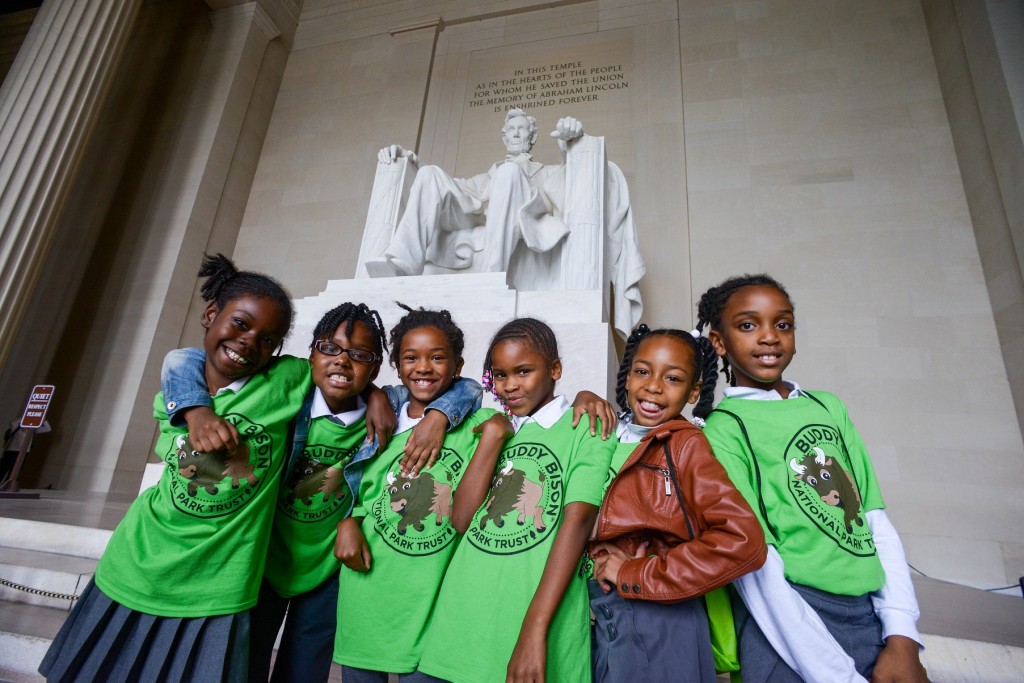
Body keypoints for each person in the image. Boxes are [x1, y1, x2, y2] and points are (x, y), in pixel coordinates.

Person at [156, 302, 483, 683]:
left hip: (328, 564)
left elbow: (467, 387)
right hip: (262, 554)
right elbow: (185, 358)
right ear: (309, 354)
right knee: (243, 663)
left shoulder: (387, 411)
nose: (342, 362)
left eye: (359, 356)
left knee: (304, 668)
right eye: (329, 349)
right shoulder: (284, 393)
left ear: (376, 368)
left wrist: (437, 415)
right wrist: (196, 411)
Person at [38, 254, 306, 682]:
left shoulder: (284, 382)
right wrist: (197, 413)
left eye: (268, 339)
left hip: (219, 581)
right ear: (210, 313)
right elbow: (179, 358)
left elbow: (341, 376)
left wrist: (388, 401)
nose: (250, 342)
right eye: (240, 323)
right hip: (139, 560)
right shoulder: (172, 397)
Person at [696, 274, 928, 683]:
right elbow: (754, 564)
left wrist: (902, 637)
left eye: (782, 324)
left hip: (866, 615)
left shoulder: (829, 407)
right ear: (719, 342)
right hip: (788, 627)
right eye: (748, 325)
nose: (769, 337)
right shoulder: (724, 428)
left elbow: (875, 522)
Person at [416, 318, 615, 683]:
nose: (510, 386)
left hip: (536, 617)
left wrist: (533, 630)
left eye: (523, 372)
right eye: (501, 375)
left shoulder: (586, 427)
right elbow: (460, 519)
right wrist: (492, 437)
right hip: (461, 614)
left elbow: (578, 523)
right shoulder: (492, 423)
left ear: (555, 369)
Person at [333, 305, 509, 681]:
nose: (424, 367)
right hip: (368, 588)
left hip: (436, 596)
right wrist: (348, 522)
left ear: (458, 365)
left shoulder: (479, 425)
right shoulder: (380, 420)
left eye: (438, 357)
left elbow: (523, 421)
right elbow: (364, 489)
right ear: (396, 365)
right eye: (411, 358)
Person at [587, 324, 767, 683]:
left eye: (672, 378)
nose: (653, 386)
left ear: (693, 391)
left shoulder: (687, 445)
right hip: (594, 612)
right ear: (626, 377)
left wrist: (636, 573)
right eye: (642, 371)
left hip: (657, 618)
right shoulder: (600, 434)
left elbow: (743, 540)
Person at [364, 109, 645, 338]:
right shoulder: (485, 177)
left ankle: (489, 278)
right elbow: (450, 191)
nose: (515, 133)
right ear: (503, 136)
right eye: (511, 129)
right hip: (475, 209)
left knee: (510, 173)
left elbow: (572, 183)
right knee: (429, 174)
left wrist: (571, 144)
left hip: (528, 223)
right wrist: (409, 164)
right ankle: (401, 264)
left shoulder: (544, 173)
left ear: (532, 137)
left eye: (522, 129)